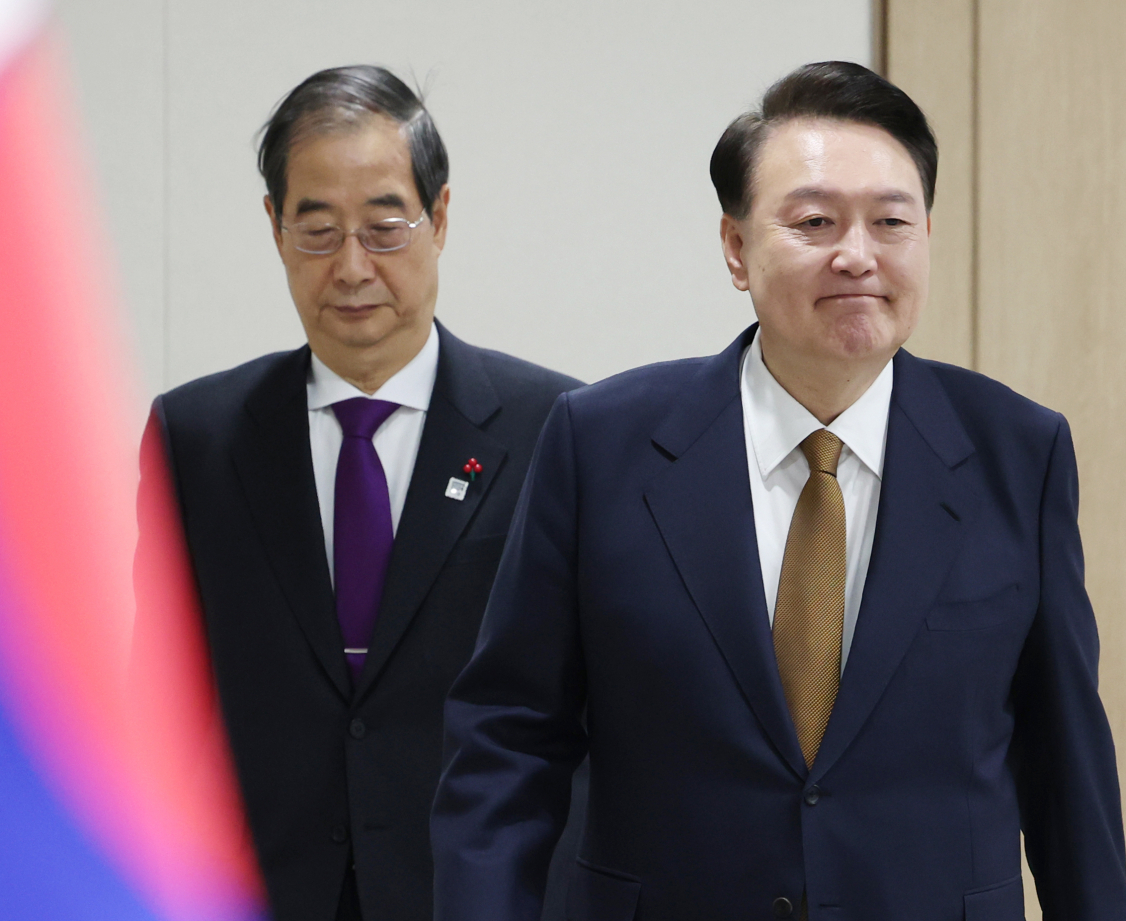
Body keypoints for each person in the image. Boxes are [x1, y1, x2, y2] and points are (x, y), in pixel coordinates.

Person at [431, 61, 1126, 920]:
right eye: (815, 221)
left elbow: (1067, 767)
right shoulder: (599, 442)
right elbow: (510, 738)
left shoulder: (1020, 452)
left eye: (891, 222)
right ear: (735, 246)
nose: (858, 255)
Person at [140, 66, 584, 921]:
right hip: (255, 890)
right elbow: (157, 699)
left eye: (384, 227)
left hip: (480, 892)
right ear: (273, 228)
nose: (351, 267)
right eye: (317, 231)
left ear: (439, 218)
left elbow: (596, 707)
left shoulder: (558, 429)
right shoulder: (195, 436)